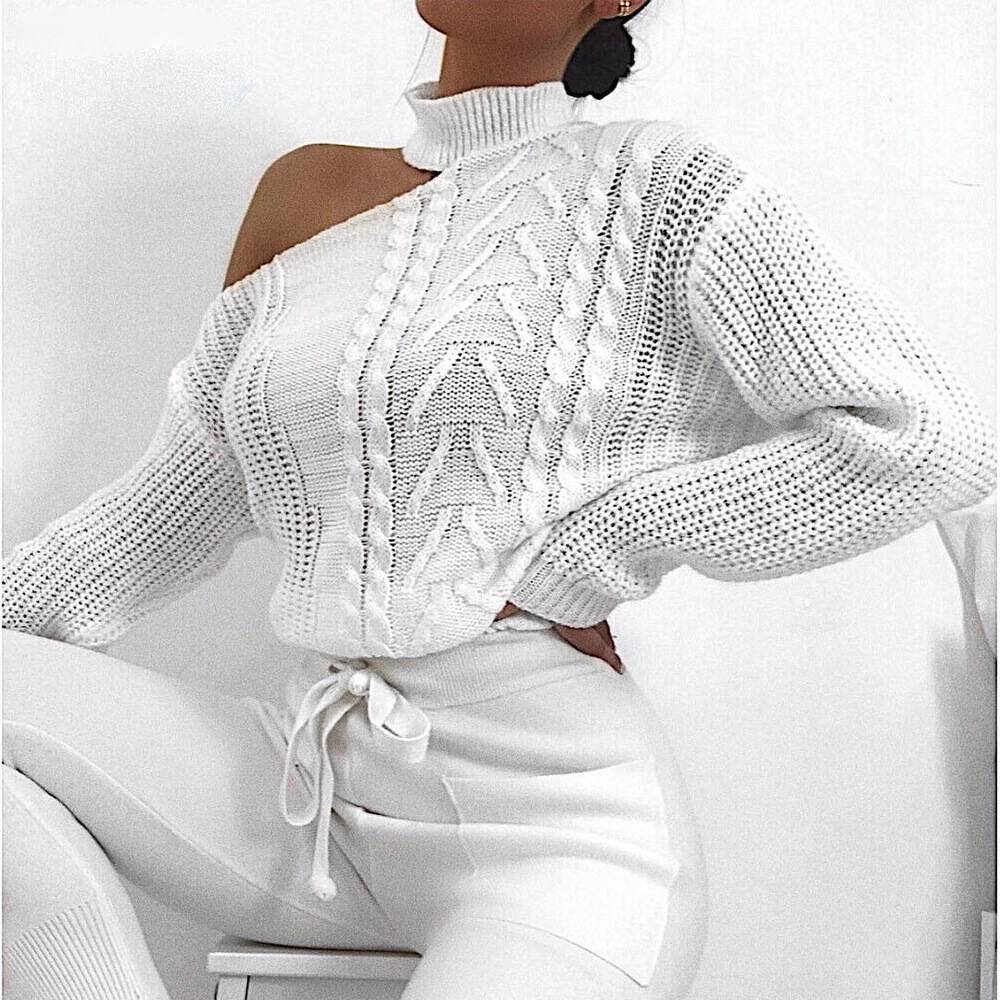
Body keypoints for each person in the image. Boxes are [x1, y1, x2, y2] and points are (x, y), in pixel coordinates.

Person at [2, 0, 995, 997]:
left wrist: (583, 556)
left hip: (555, 835)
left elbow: (924, 437)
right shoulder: (302, 193)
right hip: (314, 799)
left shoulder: (660, 183)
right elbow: (162, 510)